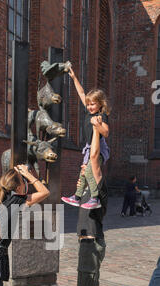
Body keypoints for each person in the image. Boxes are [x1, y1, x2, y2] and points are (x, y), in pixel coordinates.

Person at [72, 126, 108, 286]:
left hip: (90, 241)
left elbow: (93, 155)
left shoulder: (98, 188)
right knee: (94, 285)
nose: (83, 166)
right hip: (94, 240)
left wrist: (95, 128)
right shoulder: (87, 190)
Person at [61, 67, 110, 210]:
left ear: (100, 103)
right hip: (89, 147)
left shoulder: (102, 115)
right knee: (83, 173)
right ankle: (77, 197)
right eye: (88, 104)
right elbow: (81, 92)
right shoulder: (89, 112)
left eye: (92, 104)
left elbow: (106, 132)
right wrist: (74, 77)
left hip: (99, 148)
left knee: (89, 171)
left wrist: (98, 124)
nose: (89, 107)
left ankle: (95, 198)